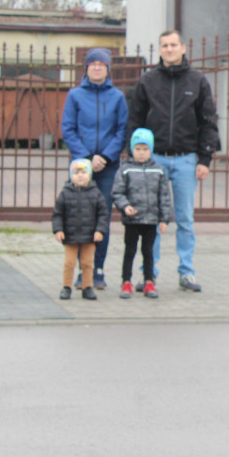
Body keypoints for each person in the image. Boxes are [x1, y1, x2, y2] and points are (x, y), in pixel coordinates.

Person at [126, 30, 219, 293]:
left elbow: (209, 122)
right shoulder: (148, 81)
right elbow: (135, 120)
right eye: (164, 45)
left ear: (183, 48)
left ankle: (187, 272)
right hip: (153, 161)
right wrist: (133, 155)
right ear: (160, 50)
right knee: (150, 219)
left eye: (173, 45)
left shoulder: (198, 81)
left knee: (185, 219)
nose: (169, 49)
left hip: (187, 159)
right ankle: (149, 273)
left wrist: (205, 159)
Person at [60, 47, 128, 289]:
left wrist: (106, 157)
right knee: (80, 217)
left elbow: (122, 131)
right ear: (86, 67)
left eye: (102, 63)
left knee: (102, 217)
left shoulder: (117, 97)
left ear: (108, 68)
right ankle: (82, 271)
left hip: (108, 167)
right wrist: (88, 158)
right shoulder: (75, 95)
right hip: (82, 166)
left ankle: (98, 270)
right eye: (93, 63)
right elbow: (68, 129)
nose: (97, 67)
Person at [112, 128, 173, 300]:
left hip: (151, 220)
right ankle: (126, 282)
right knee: (129, 251)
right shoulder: (125, 169)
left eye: (145, 149)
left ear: (151, 150)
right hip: (132, 220)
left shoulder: (159, 171)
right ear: (132, 149)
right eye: (137, 149)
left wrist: (164, 219)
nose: (141, 153)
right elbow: (117, 192)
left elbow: (164, 197)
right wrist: (125, 207)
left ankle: (149, 282)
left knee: (148, 252)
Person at [53, 159, 109, 301]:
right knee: (69, 263)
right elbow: (57, 214)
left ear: (90, 175)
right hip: (70, 236)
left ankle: (87, 287)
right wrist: (58, 230)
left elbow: (103, 214)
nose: (80, 175)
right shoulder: (65, 193)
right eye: (76, 172)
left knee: (87, 263)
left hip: (89, 237)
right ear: (71, 176)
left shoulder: (96, 194)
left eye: (84, 172)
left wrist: (100, 231)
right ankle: (66, 287)